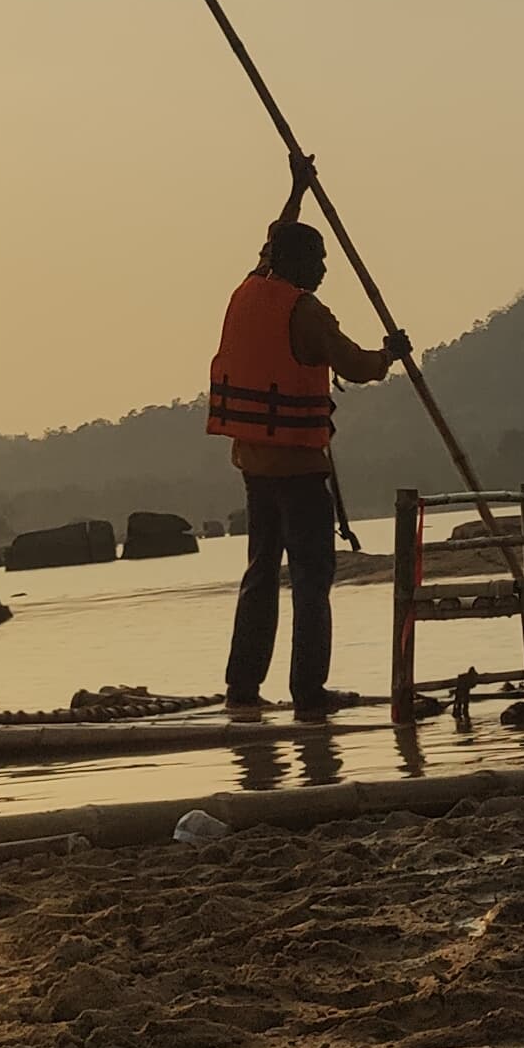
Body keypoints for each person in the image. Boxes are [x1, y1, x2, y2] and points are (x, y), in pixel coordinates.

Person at [206, 151, 406, 716]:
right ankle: (308, 693)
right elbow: (358, 367)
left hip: (254, 466)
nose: (324, 268)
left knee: (261, 572)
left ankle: (242, 688)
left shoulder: (251, 288)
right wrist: (390, 353)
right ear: (297, 264)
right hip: (296, 469)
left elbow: (273, 241)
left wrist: (296, 190)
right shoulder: (306, 312)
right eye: (317, 259)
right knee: (313, 578)